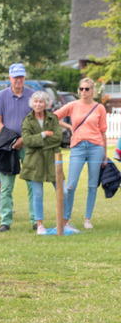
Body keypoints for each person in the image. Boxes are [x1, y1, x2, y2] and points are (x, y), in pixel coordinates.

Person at [55, 77, 108, 232]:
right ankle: (66, 220)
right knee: (70, 185)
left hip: (96, 147)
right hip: (77, 146)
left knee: (92, 185)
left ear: (92, 91)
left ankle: (87, 218)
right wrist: (69, 126)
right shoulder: (73, 105)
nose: (83, 92)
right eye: (81, 89)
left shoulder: (99, 108)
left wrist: (104, 155)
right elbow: (54, 117)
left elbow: (103, 133)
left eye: (87, 89)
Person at [0, 63, 36, 233]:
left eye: (21, 77)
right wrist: (8, 137)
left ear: (25, 78)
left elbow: (36, 120)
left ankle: (35, 219)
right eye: (15, 77)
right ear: (10, 78)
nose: (18, 80)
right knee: (5, 185)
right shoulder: (2, 96)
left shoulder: (32, 95)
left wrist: (24, 139)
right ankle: (5, 220)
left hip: (28, 143)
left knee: (33, 182)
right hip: (7, 145)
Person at [20, 91, 62, 235]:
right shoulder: (27, 120)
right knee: (37, 195)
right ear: (32, 103)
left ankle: (63, 222)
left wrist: (38, 142)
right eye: (36, 101)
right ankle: (39, 225)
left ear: (46, 104)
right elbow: (27, 140)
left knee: (63, 191)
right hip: (34, 161)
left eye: (41, 102)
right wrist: (44, 134)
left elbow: (57, 138)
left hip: (52, 160)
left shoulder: (53, 118)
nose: (38, 104)